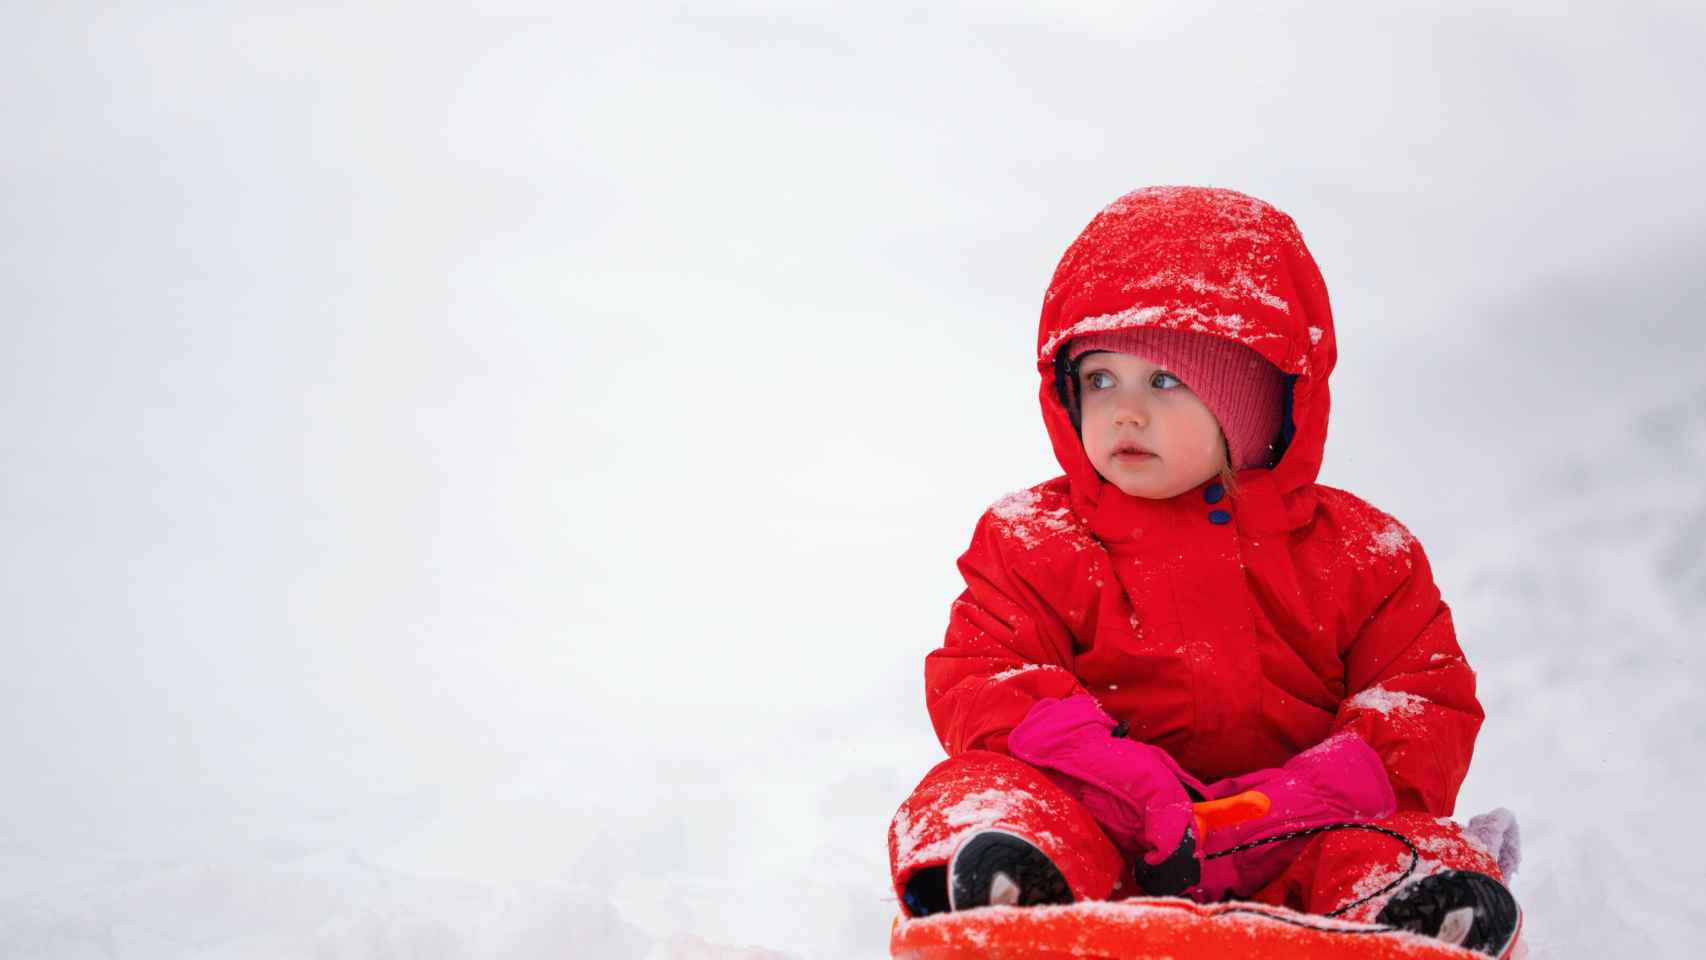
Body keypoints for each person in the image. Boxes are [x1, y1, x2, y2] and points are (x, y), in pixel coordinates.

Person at [887, 186, 1522, 957]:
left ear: (1259, 401)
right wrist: (1119, 779)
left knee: (1406, 838)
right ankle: (1009, 889)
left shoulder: (1364, 554)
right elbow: (988, 677)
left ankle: (1411, 912)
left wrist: (1297, 801)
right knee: (974, 793)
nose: (1124, 411)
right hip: (1106, 837)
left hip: (1306, 839)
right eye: (1099, 379)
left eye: (1163, 380)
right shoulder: (1032, 539)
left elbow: (1423, 702)